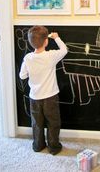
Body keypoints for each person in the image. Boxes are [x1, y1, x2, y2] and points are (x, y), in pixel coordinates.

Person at [19, 25, 68, 155]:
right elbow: (64, 50)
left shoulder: (28, 58)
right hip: (50, 96)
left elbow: (22, 75)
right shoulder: (51, 56)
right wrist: (56, 38)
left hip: (34, 97)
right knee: (53, 122)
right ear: (46, 41)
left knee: (37, 123)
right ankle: (53, 147)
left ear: (30, 43)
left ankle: (38, 145)